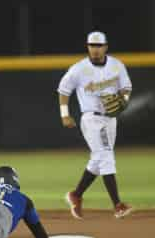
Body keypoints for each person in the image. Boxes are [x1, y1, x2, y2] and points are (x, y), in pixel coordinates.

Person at [57, 31, 133, 219]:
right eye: (92, 45)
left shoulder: (117, 65)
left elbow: (126, 88)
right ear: (88, 47)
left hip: (110, 119)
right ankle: (118, 205)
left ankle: (76, 195)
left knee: (98, 161)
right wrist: (65, 115)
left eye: (99, 46)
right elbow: (63, 90)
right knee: (106, 156)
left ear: (105, 47)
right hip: (91, 118)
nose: (95, 49)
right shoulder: (79, 69)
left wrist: (123, 100)